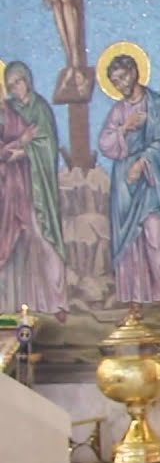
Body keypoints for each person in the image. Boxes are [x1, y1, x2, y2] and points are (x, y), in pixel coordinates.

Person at [98, 54, 160, 308]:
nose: (120, 84)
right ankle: (134, 303)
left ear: (134, 72)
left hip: (151, 182)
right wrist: (124, 129)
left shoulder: (155, 104)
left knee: (154, 235)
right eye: (115, 81)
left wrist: (142, 162)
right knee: (129, 245)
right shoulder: (119, 110)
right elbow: (105, 143)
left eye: (122, 77)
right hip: (124, 185)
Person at [1, 62, 68, 320]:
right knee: (14, 242)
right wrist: (18, 146)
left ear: (28, 80)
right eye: (10, 84)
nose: (15, 88)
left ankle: (58, 301)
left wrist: (25, 150)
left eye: (19, 81)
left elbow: (47, 145)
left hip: (36, 187)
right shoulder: (8, 109)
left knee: (43, 237)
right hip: (10, 188)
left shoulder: (39, 108)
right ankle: (16, 303)